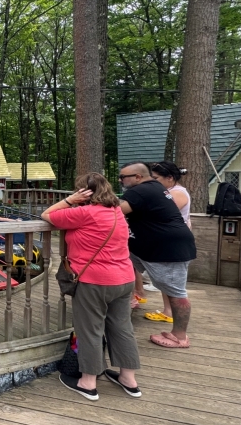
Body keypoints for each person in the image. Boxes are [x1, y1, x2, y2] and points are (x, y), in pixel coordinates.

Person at [42, 173, 140, 401]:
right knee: (122, 328)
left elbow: (46, 215)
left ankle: (87, 382)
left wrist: (69, 200)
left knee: (90, 330)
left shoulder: (84, 212)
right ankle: (129, 379)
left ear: (83, 192)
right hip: (124, 279)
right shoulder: (116, 212)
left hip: (94, 281)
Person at [119, 162, 196, 349]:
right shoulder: (154, 188)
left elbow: (116, 211)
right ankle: (129, 301)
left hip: (167, 249)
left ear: (138, 177)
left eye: (123, 177)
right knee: (124, 265)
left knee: (176, 293)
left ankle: (180, 336)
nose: (120, 181)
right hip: (146, 247)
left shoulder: (141, 191)